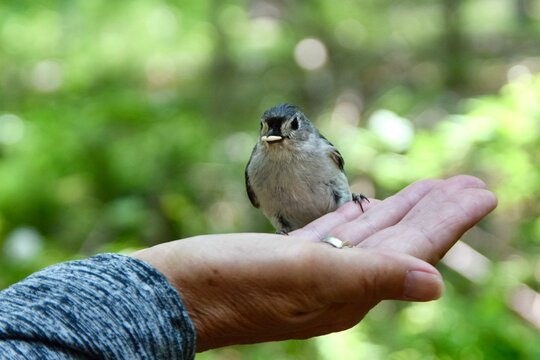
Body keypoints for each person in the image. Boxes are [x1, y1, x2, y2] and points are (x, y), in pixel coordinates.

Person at [0, 175, 497, 359]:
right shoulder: (257, 168)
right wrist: (184, 299)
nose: (275, 137)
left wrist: (163, 300)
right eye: (266, 132)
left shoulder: (322, 152)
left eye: (288, 129)